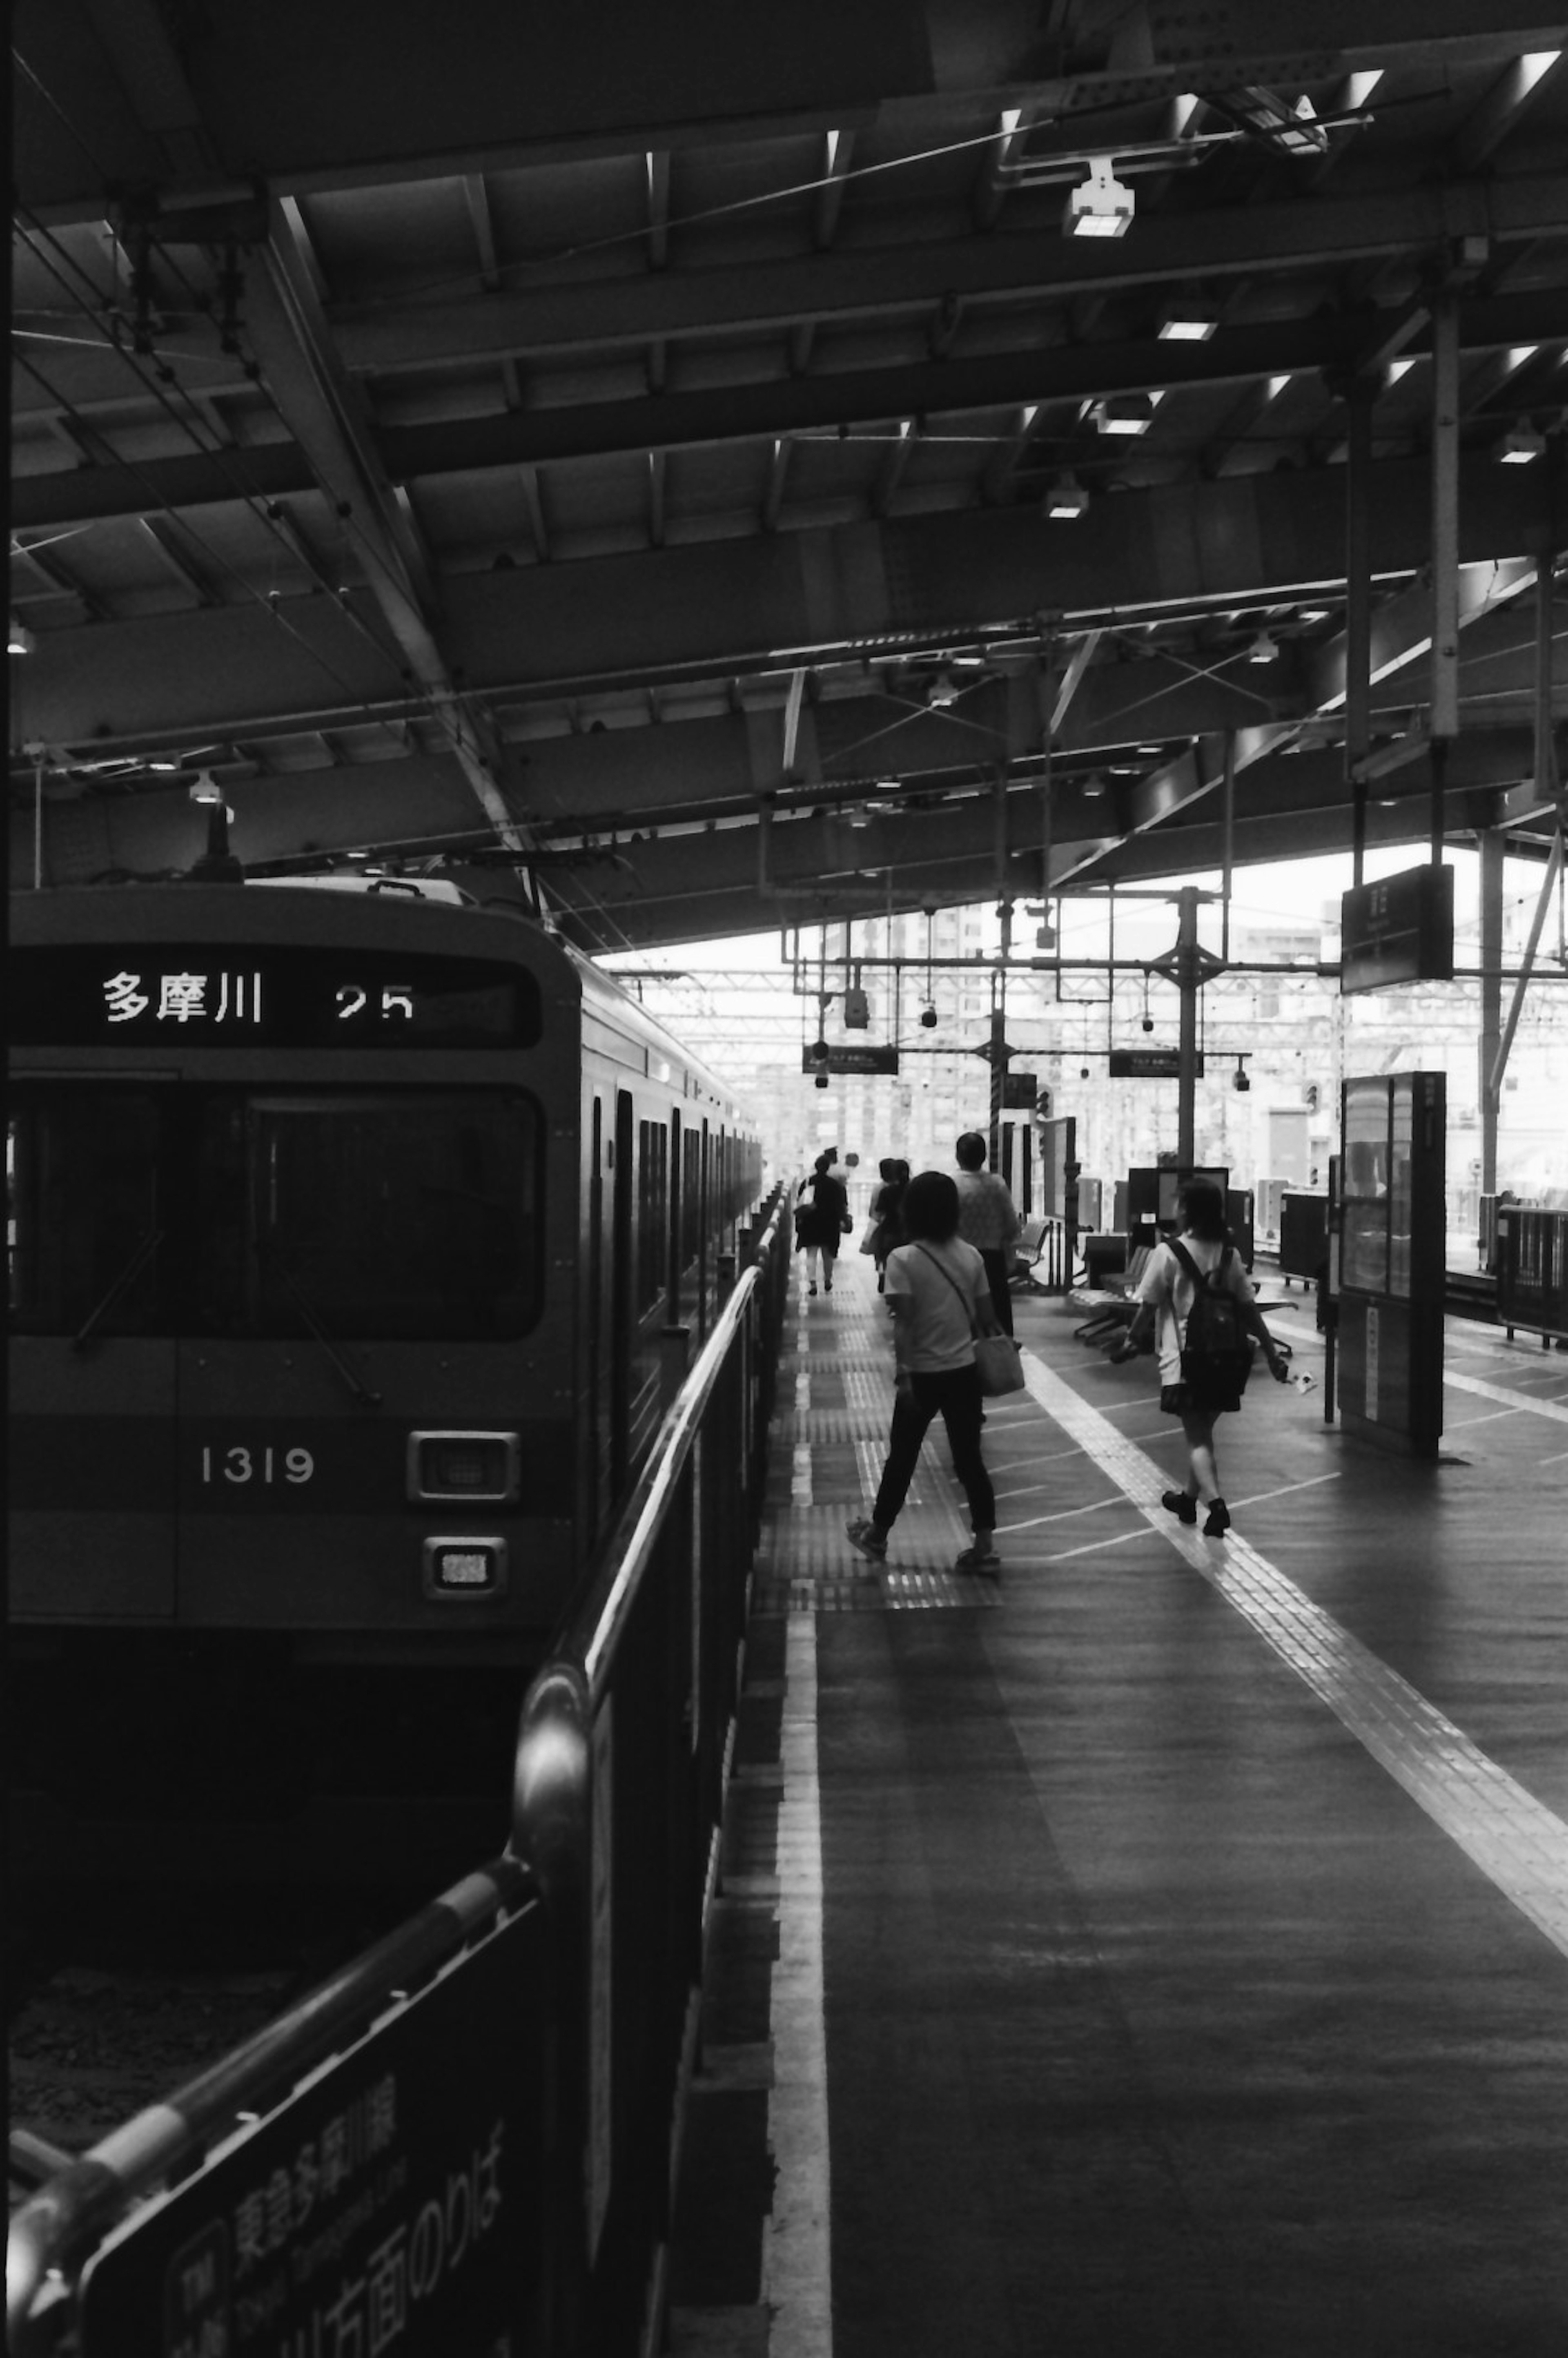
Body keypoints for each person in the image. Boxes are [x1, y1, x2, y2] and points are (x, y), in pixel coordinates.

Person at [846, 1168, 1004, 1576]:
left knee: (903, 1455)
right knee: (970, 1459)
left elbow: (905, 1323)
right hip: (964, 1371)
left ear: (911, 1209)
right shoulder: (970, 1255)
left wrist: (904, 1373)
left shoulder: (903, 1258)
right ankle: (984, 1544)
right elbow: (987, 1317)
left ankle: (878, 1535)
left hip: (922, 1374)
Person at [1112, 1176, 1288, 1537]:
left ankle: (1218, 1506)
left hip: (1185, 1361)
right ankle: (1187, 1500)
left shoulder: (1168, 1253)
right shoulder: (1229, 1255)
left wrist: (1131, 1341)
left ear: (1188, 1210)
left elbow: (1147, 1307)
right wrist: (1271, 1355)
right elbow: (1249, 1311)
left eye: (1180, 1204)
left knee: (1197, 1440)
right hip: (1229, 1360)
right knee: (1203, 1434)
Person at [953, 1130, 1023, 1336]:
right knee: (997, 1312)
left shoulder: (950, 1184)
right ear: (984, 1157)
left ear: (958, 1156)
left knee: (961, 1313)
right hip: (992, 1261)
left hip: (958, 1259)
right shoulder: (997, 1185)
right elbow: (1012, 1226)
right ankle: (999, 1354)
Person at [795, 1149, 850, 1295]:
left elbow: (800, 1202)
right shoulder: (835, 1185)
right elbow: (842, 1205)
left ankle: (812, 1282)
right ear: (828, 1168)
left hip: (810, 1223)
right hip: (830, 1224)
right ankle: (827, 1280)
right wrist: (843, 1220)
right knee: (828, 1254)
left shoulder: (807, 1183)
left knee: (811, 1255)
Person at [867, 1156, 908, 1293]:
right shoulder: (913, 1189)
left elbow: (877, 1211)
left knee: (887, 1257)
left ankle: (885, 1277)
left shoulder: (885, 1191)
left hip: (889, 1231)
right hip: (908, 1232)